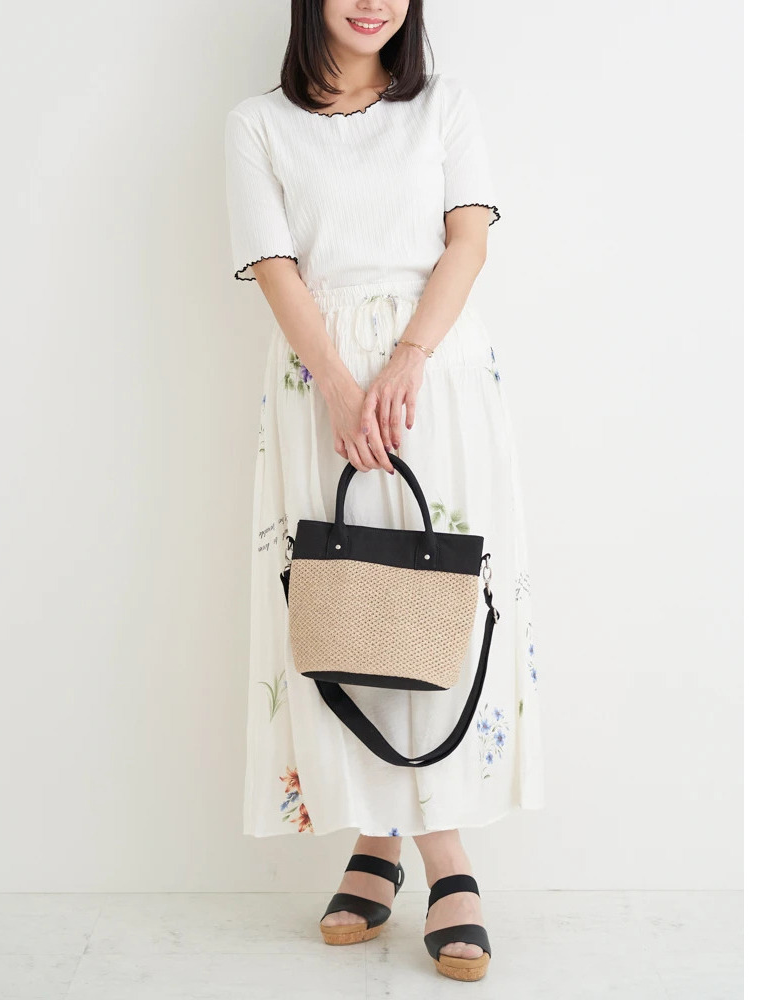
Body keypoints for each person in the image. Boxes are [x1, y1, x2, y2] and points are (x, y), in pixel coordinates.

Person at [224, 0, 545, 982]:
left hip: (436, 377)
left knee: (436, 610)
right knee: (347, 612)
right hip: (318, 383)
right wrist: (337, 382)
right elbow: (275, 265)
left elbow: (467, 243)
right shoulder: (257, 124)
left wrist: (406, 359)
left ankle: (442, 853)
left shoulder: (444, 106)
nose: (372, 1)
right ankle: (375, 836)